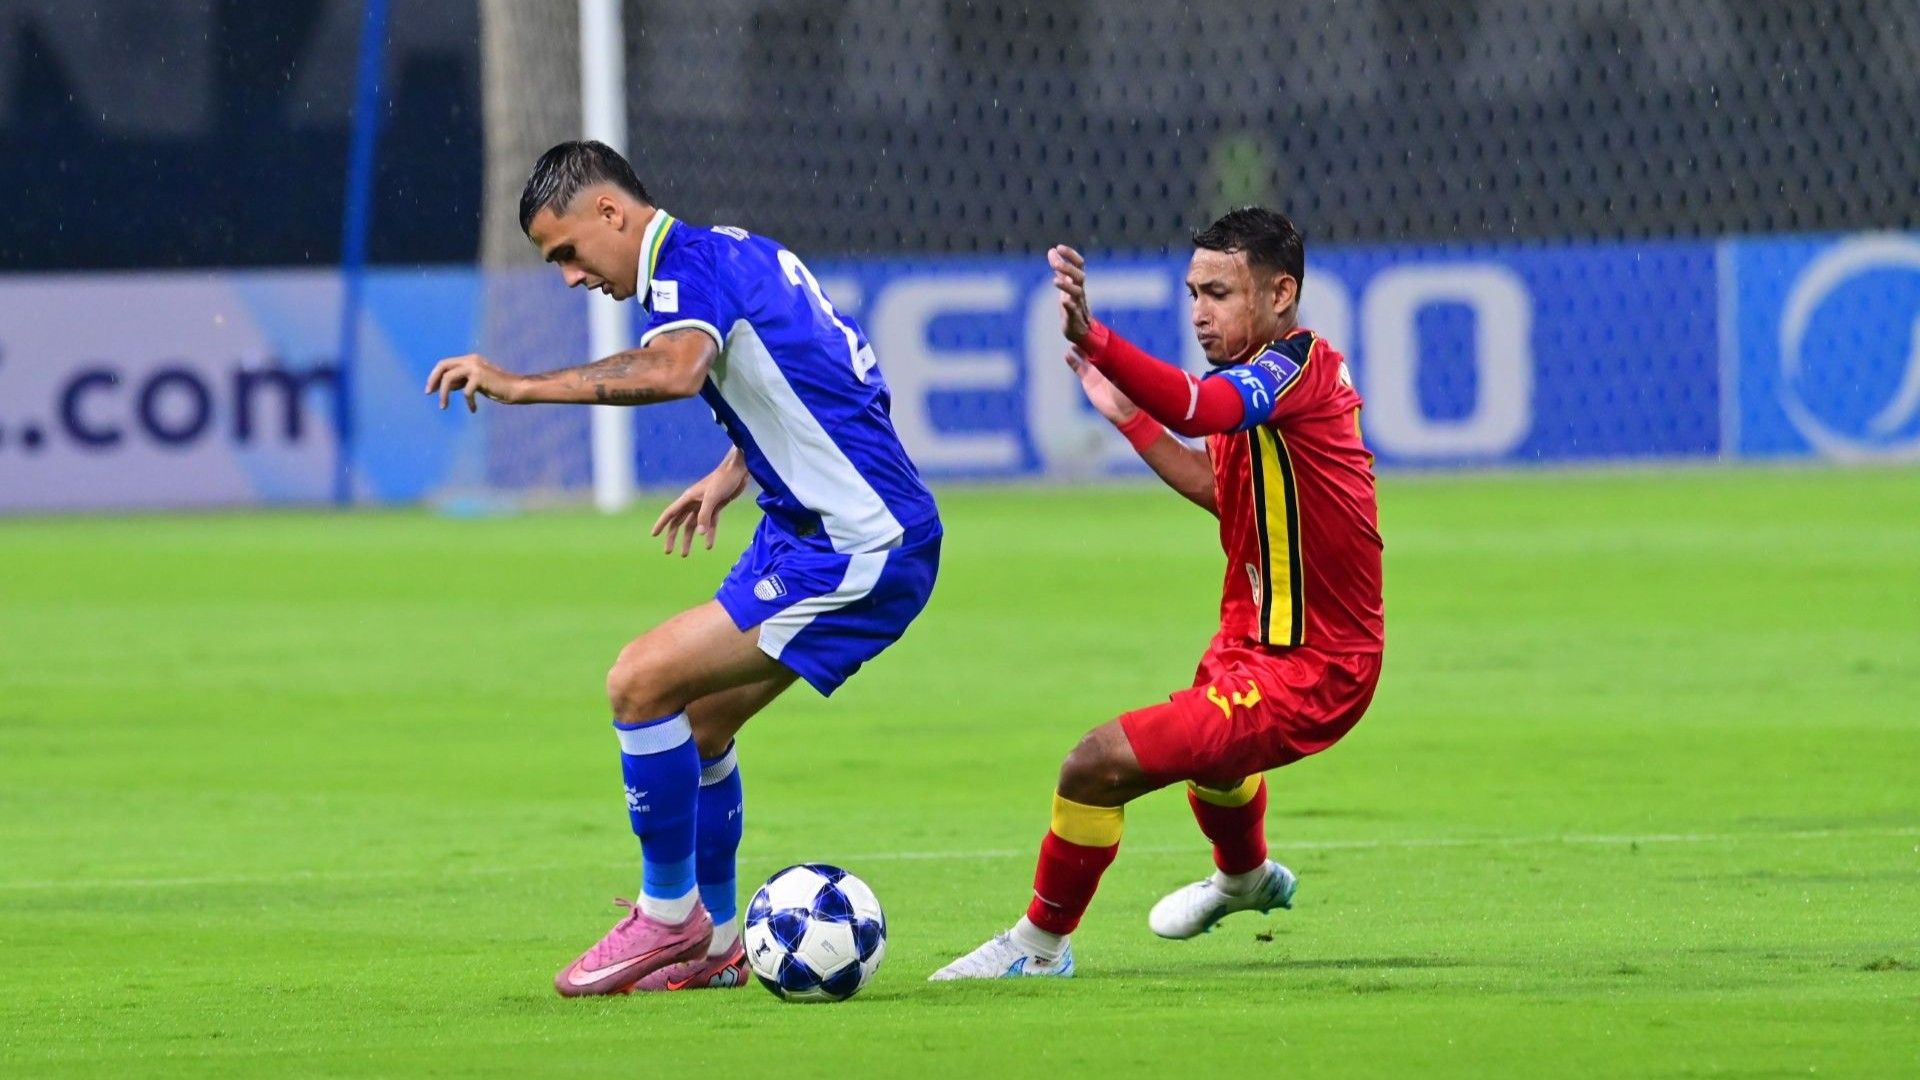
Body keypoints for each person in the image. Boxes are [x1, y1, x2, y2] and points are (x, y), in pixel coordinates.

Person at [426, 140, 941, 996]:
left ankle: (669, 918)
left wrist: (518, 386)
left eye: (567, 253)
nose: (569, 277)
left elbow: (674, 370)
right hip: (816, 528)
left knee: (638, 681)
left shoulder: (681, 275)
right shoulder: (743, 249)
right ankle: (719, 942)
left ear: (611, 214)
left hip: (854, 543)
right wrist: (736, 468)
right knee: (695, 723)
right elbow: (831, 374)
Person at [931, 208, 1382, 980]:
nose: (1201, 313)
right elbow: (1222, 492)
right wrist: (1130, 418)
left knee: (1092, 764)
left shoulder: (1293, 372)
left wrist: (1094, 338)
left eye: (1220, 292)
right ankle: (1246, 879)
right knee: (1213, 762)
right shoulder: (1259, 383)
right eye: (1193, 293)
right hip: (1250, 640)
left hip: (1314, 666)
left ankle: (1038, 950)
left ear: (1282, 294)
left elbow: (1200, 406)